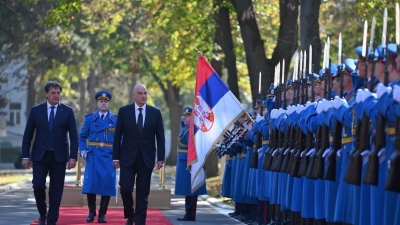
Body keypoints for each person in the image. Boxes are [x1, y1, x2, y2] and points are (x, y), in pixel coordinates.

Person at [21, 81, 79, 225]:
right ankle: (43, 213)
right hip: (40, 155)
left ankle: (52, 220)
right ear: (46, 94)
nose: (56, 96)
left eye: (58, 93)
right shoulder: (36, 111)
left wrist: (73, 157)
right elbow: (27, 135)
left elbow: (74, 136)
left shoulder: (67, 111)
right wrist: (25, 156)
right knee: (38, 185)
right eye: (53, 93)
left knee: (56, 190)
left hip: (59, 157)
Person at [112, 83, 165, 225]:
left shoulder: (155, 113)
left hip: (146, 159)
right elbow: (117, 136)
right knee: (125, 188)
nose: (144, 96)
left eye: (145, 93)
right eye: (140, 93)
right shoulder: (124, 111)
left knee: (143, 193)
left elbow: (160, 137)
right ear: (134, 95)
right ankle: (130, 215)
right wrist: (115, 157)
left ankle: (140, 221)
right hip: (127, 158)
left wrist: (160, 158)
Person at [79, 90, 117, 223]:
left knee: (106, 185)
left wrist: (118, 156)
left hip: (108, 155)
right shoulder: (90, 118)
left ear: (109, 103)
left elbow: (120, 139)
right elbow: (82, 136)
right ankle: (91, 212)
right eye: (101, 101)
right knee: (91, 185)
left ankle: (102, 214)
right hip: (93, 155)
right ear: (97, 103)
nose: (103, 103)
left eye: (106, 101)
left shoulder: (115, 119)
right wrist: (82, 150)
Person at [174, 107, 207, 221]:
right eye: (184, 115)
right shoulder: (186, 128)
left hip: (189, 162)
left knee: (191, 188)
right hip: (184, 160)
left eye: (187, 116)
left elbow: (193, 146)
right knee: (187, 188)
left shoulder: (191, 130)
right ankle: (188, 212)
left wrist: (192, 162)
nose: (184, 118)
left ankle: (190, 213)